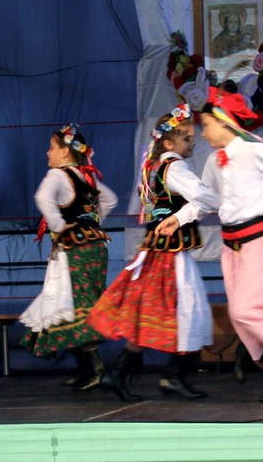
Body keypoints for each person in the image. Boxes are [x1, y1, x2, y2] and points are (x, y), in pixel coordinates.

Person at [157, 88, 263, 403]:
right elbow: (207, 200)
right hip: (231, 245)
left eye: (206, 125)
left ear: (224, 121)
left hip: (256, 239)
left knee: (247, 310)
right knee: (242, 315)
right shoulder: (214, 161)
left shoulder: (255, 151)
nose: (203, 134)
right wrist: (178, 218)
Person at [87, 105, 213, 401]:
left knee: (153, 310)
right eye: (187, 138)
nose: (193, 142)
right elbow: (207, 198)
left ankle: (123, 374)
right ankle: (170, 376)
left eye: (193, 137)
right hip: (170, 254)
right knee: (186, 308)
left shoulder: (158, 166)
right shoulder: (175, 167)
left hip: (159, 251)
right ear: (168, 143)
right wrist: (185, 215)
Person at [19, 123, 118, 391]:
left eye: (52, 147)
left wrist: (59, 225)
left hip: (75, 249)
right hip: (96, 248)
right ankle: (85, 368)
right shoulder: (86, 177)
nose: (47, 152)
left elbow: (42, 198)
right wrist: (92, 224)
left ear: (65, 151)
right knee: (69, 304)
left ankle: (96, 368)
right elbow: (109, 200)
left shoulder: (58, 175)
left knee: (72, 305)